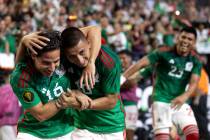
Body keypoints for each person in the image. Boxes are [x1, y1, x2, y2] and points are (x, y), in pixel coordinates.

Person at [10, 26, 101, 140]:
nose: (52, 68)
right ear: (33, 56)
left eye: (56, 61)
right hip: (33, 133)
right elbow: (40, 114)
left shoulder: (59, 50)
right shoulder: (21, 78)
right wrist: (71, 94)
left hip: (67, 130)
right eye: (46, 63)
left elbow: (94, 29)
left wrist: (91, 62)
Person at [122, 26, 202, 140]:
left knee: (193, 135)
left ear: (194, 42)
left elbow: (194, 83)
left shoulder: (195, 60)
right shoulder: (159, 58)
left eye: (190, 39)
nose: (185, 41)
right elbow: (138, 73)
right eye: (183, 37)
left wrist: (185, 96)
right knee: (167, 136)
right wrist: (122, 79)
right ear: (177, 37)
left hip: (179, 102)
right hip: (161, 102)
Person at [58, 27, 125, 140]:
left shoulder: (108, 61)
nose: (79, 60)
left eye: (82, 52)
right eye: (72, 56)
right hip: (82, 126)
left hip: (112, 125)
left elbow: (111, 101)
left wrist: (86, 104)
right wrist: (75, 92)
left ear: (89, 43)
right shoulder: (61, 59)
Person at [118, 50, 139, 140]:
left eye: (123, 58)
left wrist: (113, 83)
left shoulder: (134, 69)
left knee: (129, 136)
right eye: (119, 58)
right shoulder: (116, 70)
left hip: (129, 105)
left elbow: (131, 83)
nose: (121, 60)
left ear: (130, 59)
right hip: (117, 106)